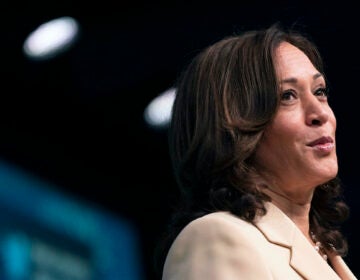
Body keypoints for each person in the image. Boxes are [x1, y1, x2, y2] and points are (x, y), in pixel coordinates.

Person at [156, 23, 358, 279]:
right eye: (287, 96)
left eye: (319, 91)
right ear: (232, 125)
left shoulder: (327, 255)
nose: (320, 113)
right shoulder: (216, 238)